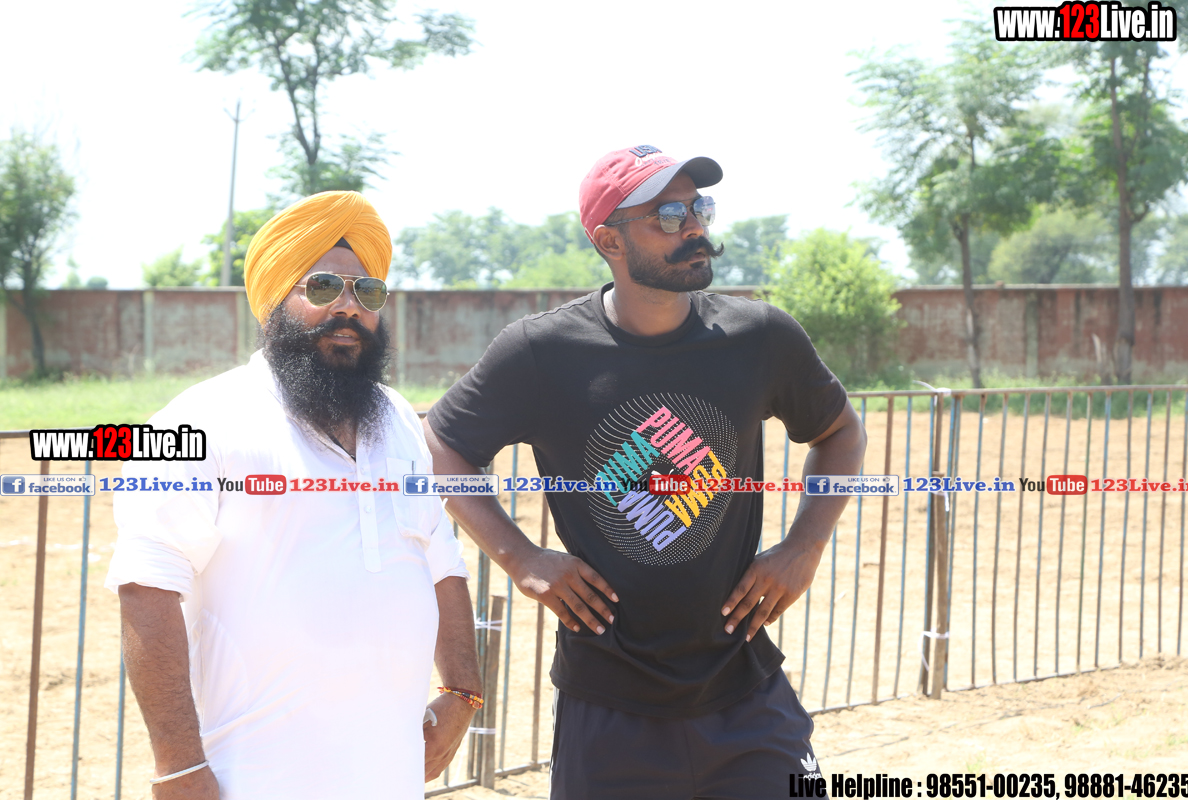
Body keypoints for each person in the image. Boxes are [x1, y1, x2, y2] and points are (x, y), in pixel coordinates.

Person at [424, 146, 868, 799]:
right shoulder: (541, 352)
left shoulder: (759, 336)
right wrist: (519, 556)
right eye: (668, 214)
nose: (694, 226)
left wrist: (805, 546)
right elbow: (440, 444)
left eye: (698, 207)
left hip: (746, 696)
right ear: (609, 240)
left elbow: (841, 433)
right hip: (607, 709)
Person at [105, 191, 480, 799]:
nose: (349, 306)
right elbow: (147, 587)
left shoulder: (398, 420)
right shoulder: (197, 420)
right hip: (256, 776)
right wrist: (178, 766)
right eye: (324, 286)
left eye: (368, 292)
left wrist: (463, 690)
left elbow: (441, 558)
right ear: (275, 299)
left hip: (392, 773)